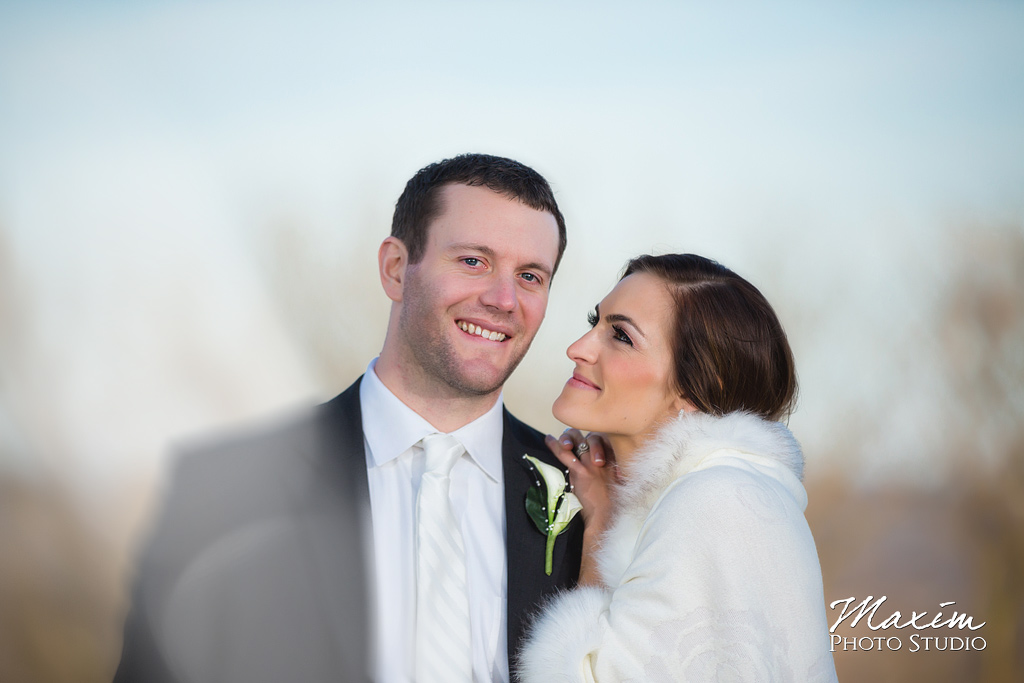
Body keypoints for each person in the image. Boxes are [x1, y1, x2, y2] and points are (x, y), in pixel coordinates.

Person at [113, 153, 583, 683]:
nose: (503, 299)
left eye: (530, 276)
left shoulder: (588, 498)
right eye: (473, 261)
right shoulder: (225, 487)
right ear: (395, 268)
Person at [518, 254, 838, 682]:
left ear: (695, 387)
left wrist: (600, 531)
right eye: (595, 321)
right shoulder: (722, 490)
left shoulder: (717, 501)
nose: (577, 347)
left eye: (620, 336)